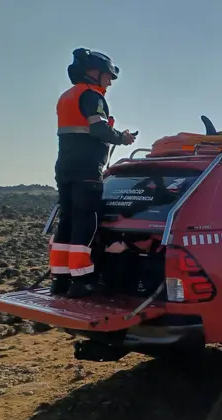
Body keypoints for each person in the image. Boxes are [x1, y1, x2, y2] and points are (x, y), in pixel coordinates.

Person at [48, 48, 136, 298]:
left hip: (65, 167)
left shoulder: (67, 96)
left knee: (67, 220)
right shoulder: (91, 95)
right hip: (87, 168)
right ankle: (82, 281)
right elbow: (98, 130)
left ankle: (60, 279)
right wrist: (122, 137)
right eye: (108, 75)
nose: (109, 81)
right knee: (86, 221)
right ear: (93, 72)